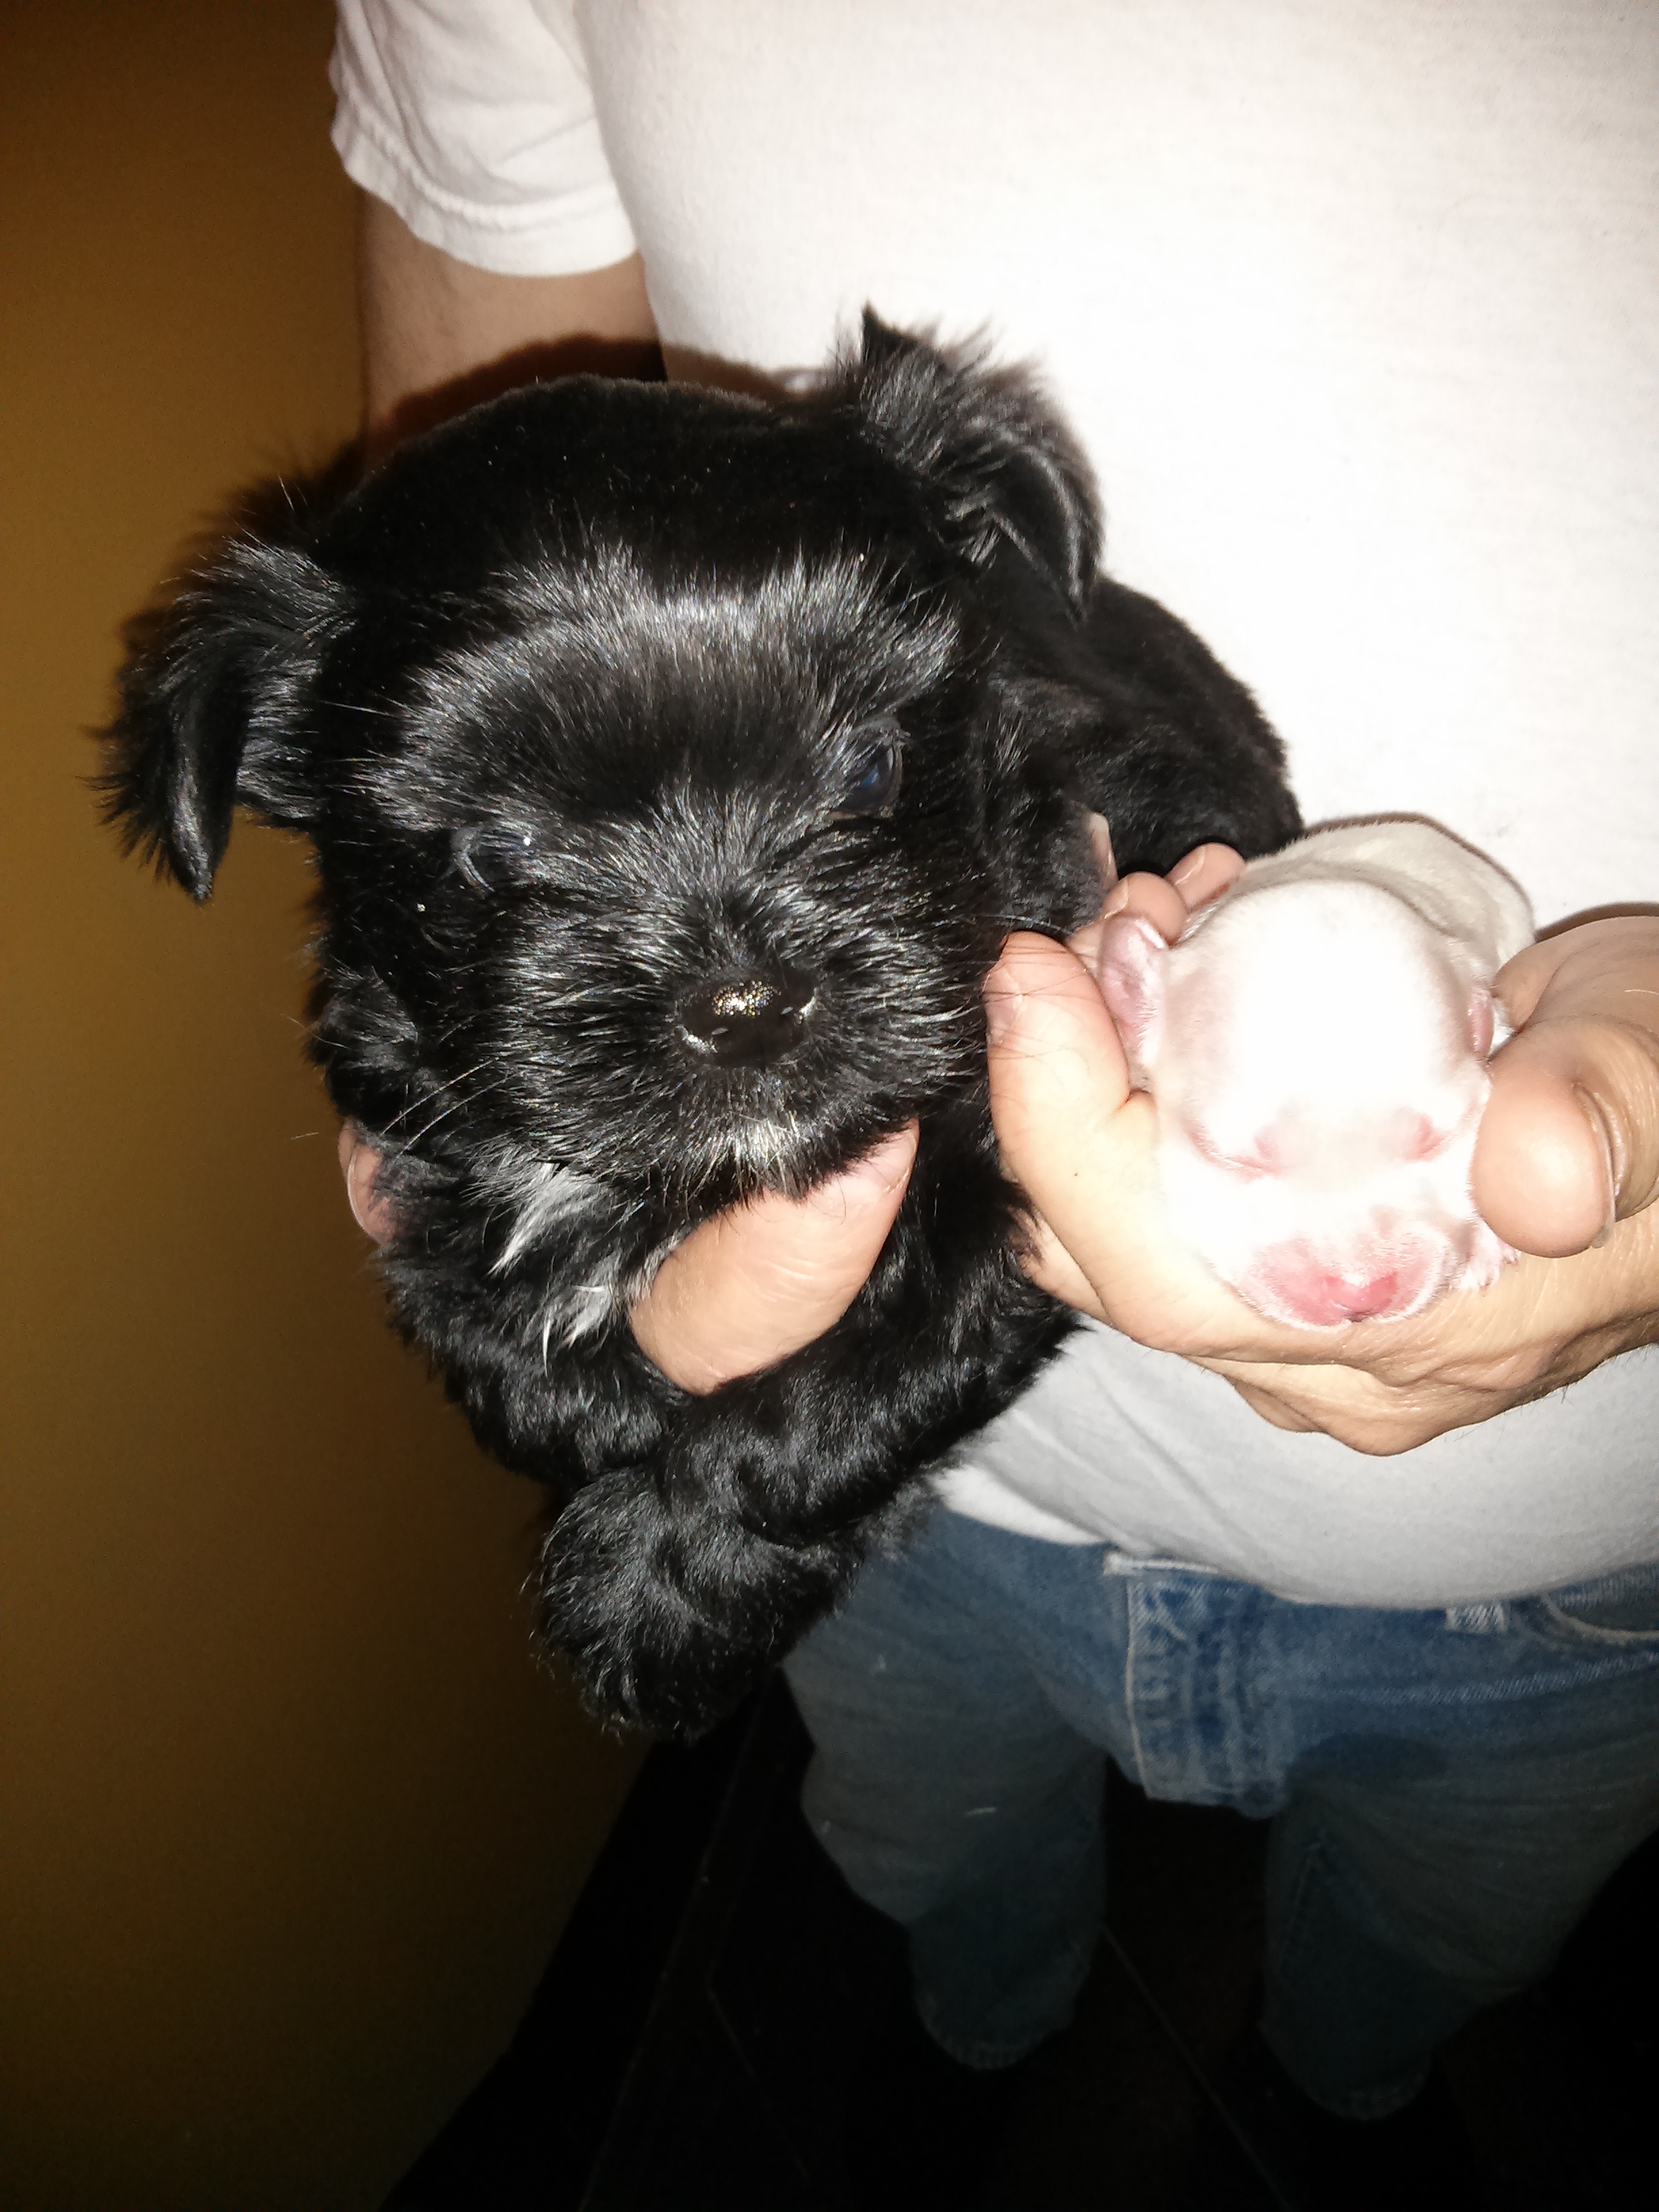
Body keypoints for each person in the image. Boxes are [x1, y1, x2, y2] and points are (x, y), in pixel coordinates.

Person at [329, 0, 1659, 2171]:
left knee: (1419, 1977)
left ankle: (1344, 2089)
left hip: (1592, 1594)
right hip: (931, 1538)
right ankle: (989, 2040)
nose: (737, 979)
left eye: (859, 767)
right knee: (936, 1886)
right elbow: (440, 582)